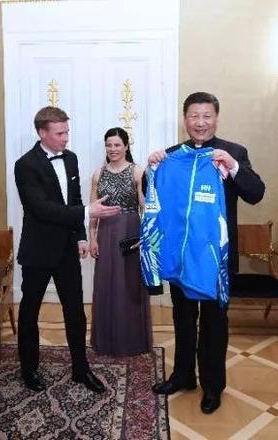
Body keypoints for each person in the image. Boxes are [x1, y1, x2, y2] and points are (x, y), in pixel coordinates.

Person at [149, 92, 265, 414]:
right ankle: (182, 376)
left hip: (216, 259)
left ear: (216, 118)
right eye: (194, 116)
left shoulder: (233, 152)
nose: (200, 123)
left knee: (214, 324)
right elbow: (154, 193)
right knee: (183, 318)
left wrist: (234, 167)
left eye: (206, 116)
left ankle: (212, 387)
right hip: (182, 256)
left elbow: (256, 193)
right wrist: (152, 167)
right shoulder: (173, 155)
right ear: (184, 119)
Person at [14, 106, 120, 393]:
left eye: (67, 132)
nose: (65, 138)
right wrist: (87, 212)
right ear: (42, 133)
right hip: (38, 250)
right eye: (60, 133)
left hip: (66, 250)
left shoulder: (70, 159)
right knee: (29, 312)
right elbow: (41, 209)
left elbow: (73, 201)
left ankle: (80, 369)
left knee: (75, 312)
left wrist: (81, 238)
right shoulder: (25, 165)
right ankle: (29, 369)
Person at [89, 127, 152, 356]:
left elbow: (146, 208)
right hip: (105, 234)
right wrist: (92, 239)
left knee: (129, 285)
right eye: (109, 145)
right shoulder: (98, 174)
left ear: (126, 146)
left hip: (130, 233)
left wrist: (146, 236)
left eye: (117, 144)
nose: (112, 149)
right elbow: (93, 211)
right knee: (106, 285)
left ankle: (132, 341)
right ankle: (106, 341)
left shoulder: (138, 171)